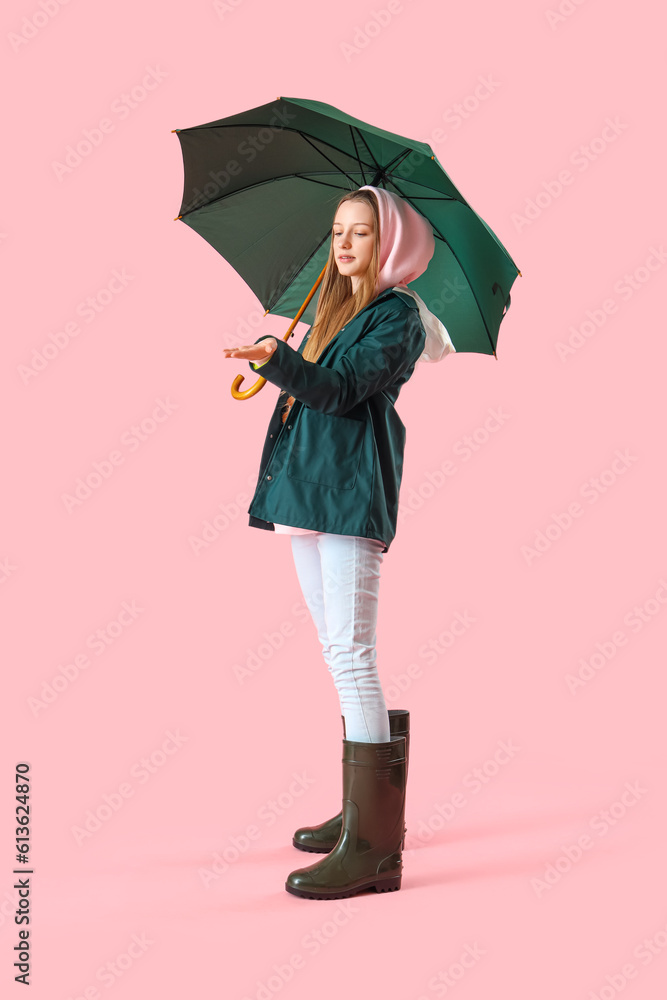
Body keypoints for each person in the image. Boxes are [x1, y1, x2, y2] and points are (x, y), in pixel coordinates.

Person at [222, 186, 454, 899]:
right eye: (337, 230)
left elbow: (345, 390)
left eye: (359, 232)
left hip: (349, 499)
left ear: (391, 245)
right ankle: (364, 815)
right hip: (307, 494)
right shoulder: (336, 311)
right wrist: (284, 359)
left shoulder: (397, 318)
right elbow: (317, 390)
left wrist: (281, 362)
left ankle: (375, 850)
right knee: (335, 649)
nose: (343, 243)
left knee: (353, 655)